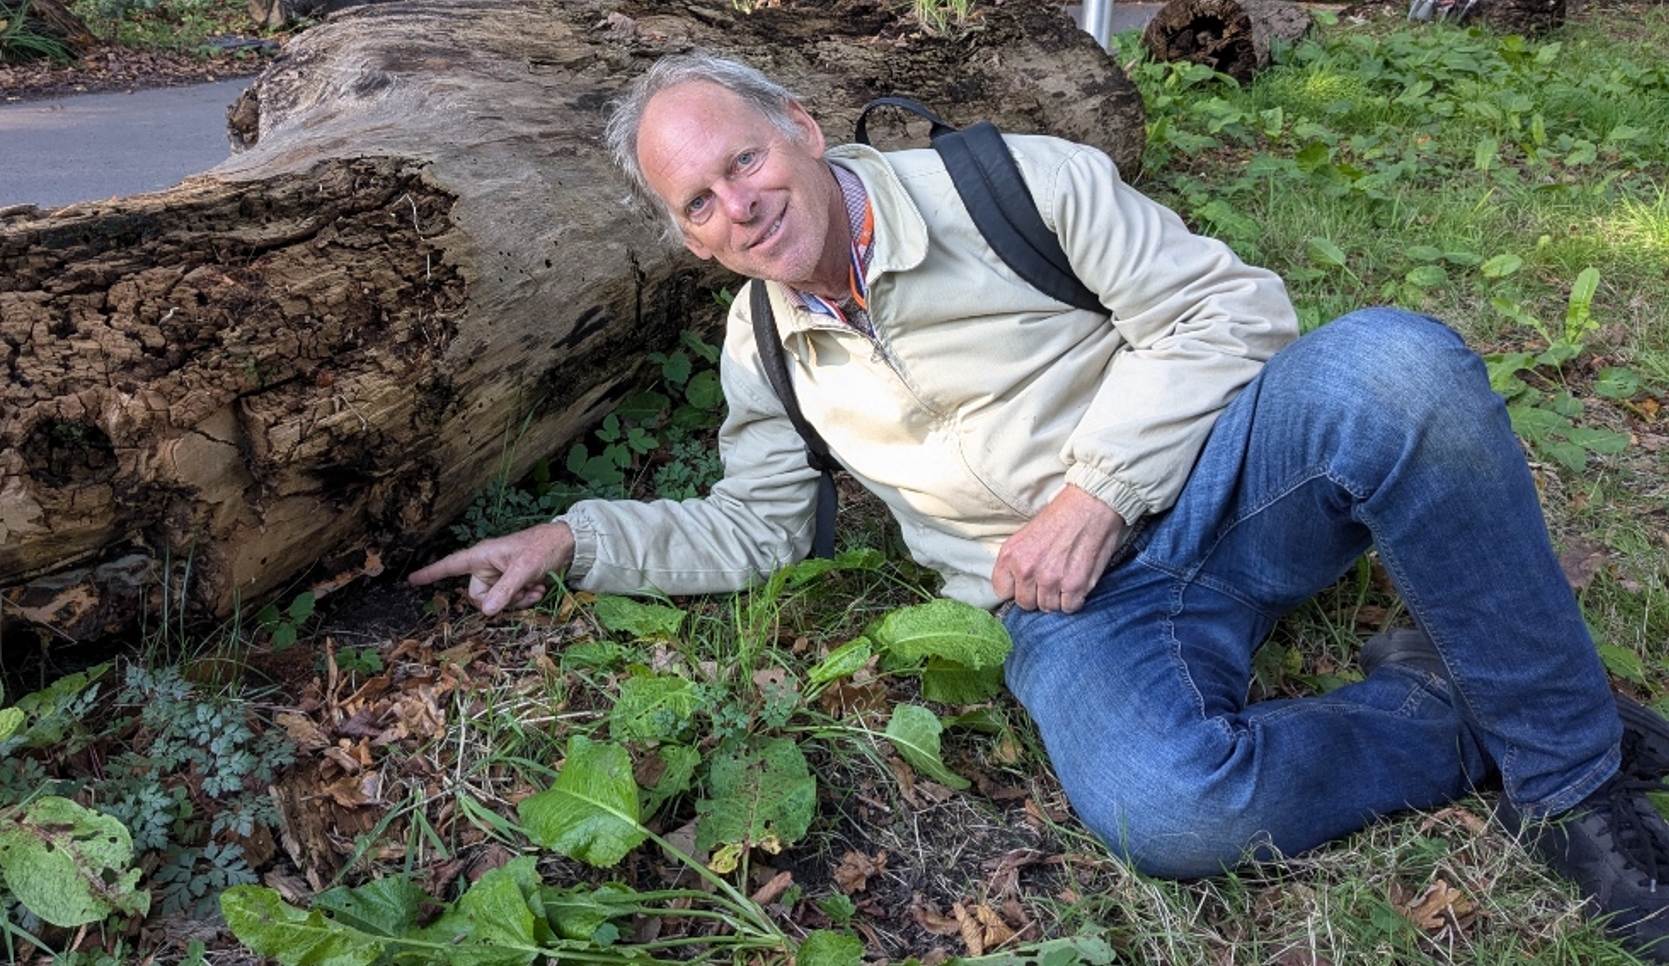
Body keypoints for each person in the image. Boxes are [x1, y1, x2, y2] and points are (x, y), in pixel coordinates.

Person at [410, 53, 1669, 958]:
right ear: (689, 239)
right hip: (1066, 615)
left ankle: (1569, 776)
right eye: (700, 202)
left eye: (743, 159)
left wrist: (1096, 493)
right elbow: (761, 525)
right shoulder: (763, 342)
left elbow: (1232, 314)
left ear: (799, 124)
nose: (738, 205)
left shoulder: (1008, 184)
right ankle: (1460, 708)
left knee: (1396, 365)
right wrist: (578, 537)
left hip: (1222, 489)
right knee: (1167, 809)